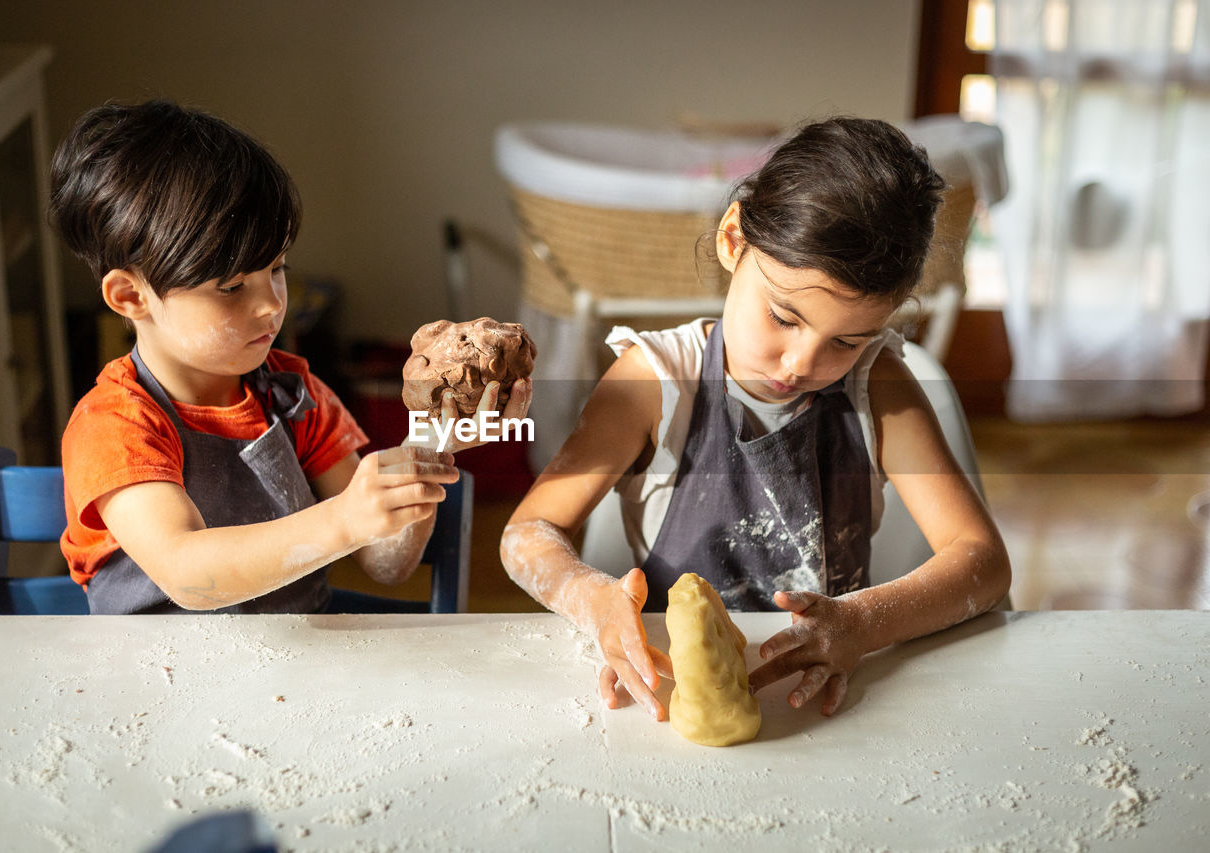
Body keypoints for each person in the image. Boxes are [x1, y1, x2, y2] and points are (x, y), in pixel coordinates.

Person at [500, 117, 1010, 721]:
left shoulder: (880, 387)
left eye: (846, 342)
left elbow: (982, 560)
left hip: (820, 693)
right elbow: (526, 536)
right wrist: (597, 603)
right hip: (669, 693)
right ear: (733, 239)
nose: (802, 364)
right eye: (784, 318)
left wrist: (860, 626)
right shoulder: (655, 382)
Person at [51, 100, 529, 614]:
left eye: (277, 268)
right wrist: (342, 519)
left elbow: (386, 565)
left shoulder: (295, 398)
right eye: (232, 287)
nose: (273, 304)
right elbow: (187, 574)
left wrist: (430, 447)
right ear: (130, 297)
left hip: (299, 677)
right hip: (157, 682)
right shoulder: (116, 425)